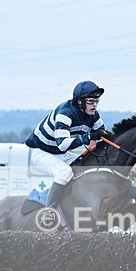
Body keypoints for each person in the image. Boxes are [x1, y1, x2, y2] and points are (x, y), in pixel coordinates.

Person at [24, 81, 109, 218]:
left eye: (97, 101)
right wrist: (89, 137)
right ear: (80, 102)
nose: (95, 105)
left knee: (85, 166)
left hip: (61, 154)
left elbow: (101, 133)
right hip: (42, 153)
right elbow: (62, 144)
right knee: (65, 172)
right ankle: (49, 211)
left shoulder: (94, 115)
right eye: (91, 101)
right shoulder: (65, 113)